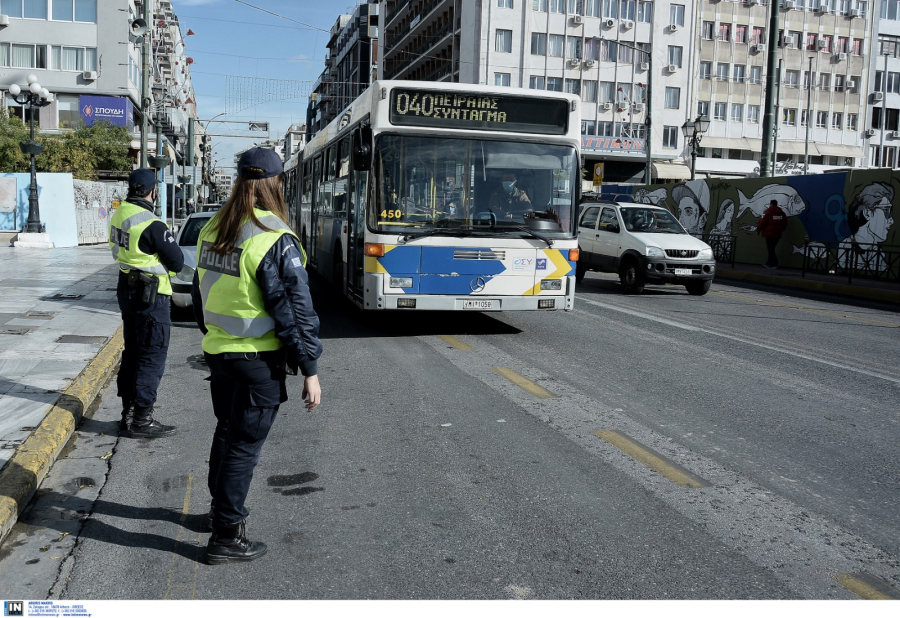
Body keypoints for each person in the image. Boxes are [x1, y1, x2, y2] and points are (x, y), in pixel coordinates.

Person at [191, 147, 323, 565]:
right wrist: (310, 368)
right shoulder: (272, 237)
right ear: (276, 183)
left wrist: (213, 336)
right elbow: (294, 312)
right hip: (256, 362)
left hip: (219, 353)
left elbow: (199, 293)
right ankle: (226, 535)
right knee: (243, 446)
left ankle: (219, 512)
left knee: (227, 433)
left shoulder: (213, 227)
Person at [109, 169, 184, 438]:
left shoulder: (119, 213)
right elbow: (176, 262)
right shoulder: (152, 223)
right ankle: (142, 419)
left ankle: (127, 413)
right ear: (154, 192)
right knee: (152, 355)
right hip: (151, 295)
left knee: (133, 353)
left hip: (126, 289)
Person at [756, 198, 788, 269]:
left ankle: (774, 264)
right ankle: (769, 262)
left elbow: (762, 222)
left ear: (771, 204)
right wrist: (781, 230)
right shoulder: (782, 213)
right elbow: (785, 223)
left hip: (769, 234)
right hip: (777, 234)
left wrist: (758, 230)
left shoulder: (767, 212)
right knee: (772, 248)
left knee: (770, 249)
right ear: (776, 204)